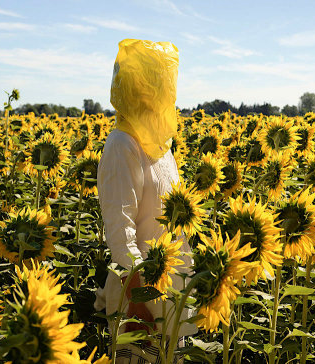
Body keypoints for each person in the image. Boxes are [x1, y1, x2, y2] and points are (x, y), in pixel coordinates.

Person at [94, 39, 196, 364]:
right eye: (153, 83)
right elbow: (120, 230)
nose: (161, 91)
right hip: (141, 300)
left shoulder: (162, 145)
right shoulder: (122, 144)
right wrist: (137, 300)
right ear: (135, 88)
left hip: (173, 294)